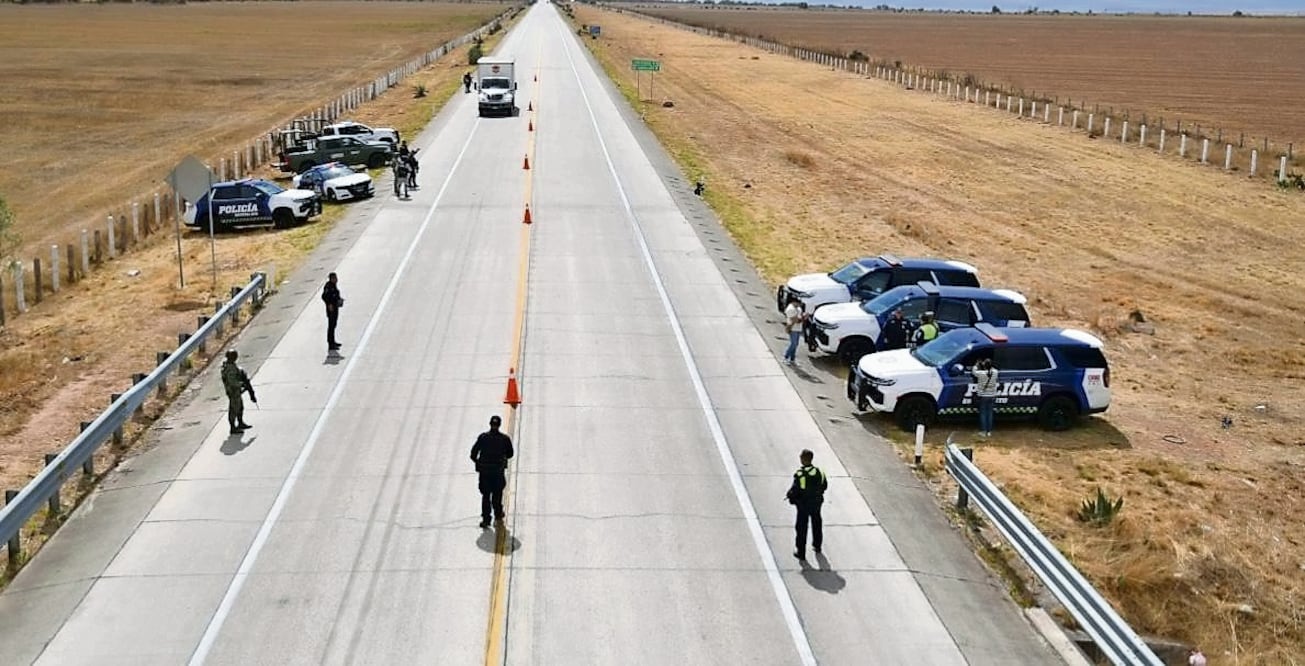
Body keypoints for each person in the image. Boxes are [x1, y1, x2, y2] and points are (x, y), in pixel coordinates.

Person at [470, 415, 514, 529]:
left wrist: (479, 462)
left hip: (485, 473)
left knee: (485, 496)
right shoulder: (504, 439)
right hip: (497, 473)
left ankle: (486, 519)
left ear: (490, 424)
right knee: (497, 495)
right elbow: (510, 454)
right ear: (499, 425)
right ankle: (498, 514)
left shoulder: (483, 437)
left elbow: (473, 454)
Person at [786, 449, 827, 560]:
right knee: (817, 523)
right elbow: (824, 486)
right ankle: (817, 545)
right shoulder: (820, 472)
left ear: (803, 460)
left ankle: (801, 552)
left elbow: (795, 490)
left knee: (801, 528)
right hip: (817, 503)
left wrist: (790, 496)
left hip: (804, 505)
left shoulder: (800, 474)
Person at [220, 350, 255, 435]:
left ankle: (240, 423)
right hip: (233, 391)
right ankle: (233, 427)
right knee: (234, 409)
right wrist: (242, 384)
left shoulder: (230, 366)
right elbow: (232, 382)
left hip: (236, 391)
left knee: (240, 407)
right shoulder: (230, 369)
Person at [972, 358, 999, 437]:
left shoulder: (981, 373)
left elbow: (974, 372)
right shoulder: (995, 373)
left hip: (983, 396)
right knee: (990, 413)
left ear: (985, 366)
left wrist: (977, 364)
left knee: (983, 414)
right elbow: (993, 369)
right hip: (992, 396)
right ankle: (989, 431)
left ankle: (983, 431)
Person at [323, 272, 343, 351]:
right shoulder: (328, 286)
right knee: (331, 326)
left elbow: (335, 295)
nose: (336, 279)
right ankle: (330, 344)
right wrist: (329, 304)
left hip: (335, 307)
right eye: (335, 278)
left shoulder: (334, 286)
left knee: (334, 324)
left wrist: (339, 300)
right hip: (331, 309)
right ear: (331, 279)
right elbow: (324, 296)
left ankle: (333, 341)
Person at [782, 296, 805, 366]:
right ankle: (785, 357)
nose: (798, 305)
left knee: (796, 344)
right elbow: (795, 320)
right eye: (797, 303)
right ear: (793, 302)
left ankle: (792, 359)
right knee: (793, 344)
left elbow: (799, 317)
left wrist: (802, 317)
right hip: (793, 328)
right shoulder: (790, 309)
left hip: (798, 328)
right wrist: (803, 318)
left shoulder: (798, 308)